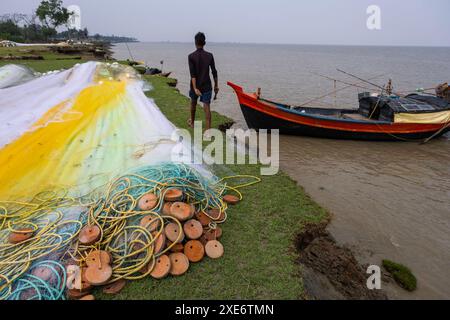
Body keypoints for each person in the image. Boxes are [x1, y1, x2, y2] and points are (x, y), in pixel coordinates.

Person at [188, 32, 219, 131]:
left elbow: (192, 74)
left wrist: (195, 88)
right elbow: (214, 72)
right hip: (207, 85)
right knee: (207, 107)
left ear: (195, 42)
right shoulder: (210, 56)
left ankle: (192, 123)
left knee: (193, 103)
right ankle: (208, 130)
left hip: (195, 85)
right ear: (204, 42)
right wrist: (216, 86)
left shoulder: (191, 56)